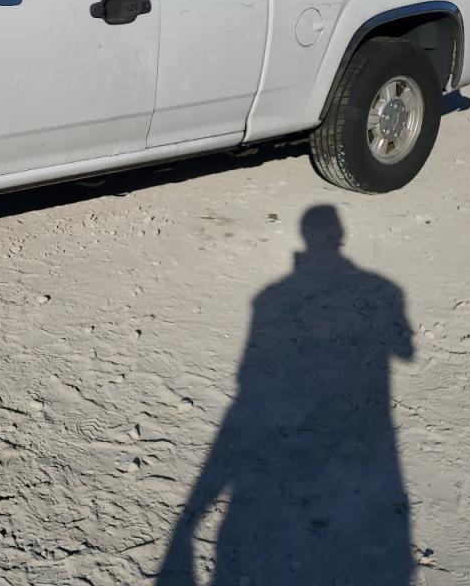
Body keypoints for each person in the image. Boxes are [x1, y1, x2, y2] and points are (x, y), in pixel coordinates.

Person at [160, 205, 415, 585]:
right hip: (358, 427)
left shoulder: (270, 296)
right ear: (341, 237)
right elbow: (405, 351)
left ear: (304, 238)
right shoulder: (383, 289)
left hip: (286, 421)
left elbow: (246, 371)